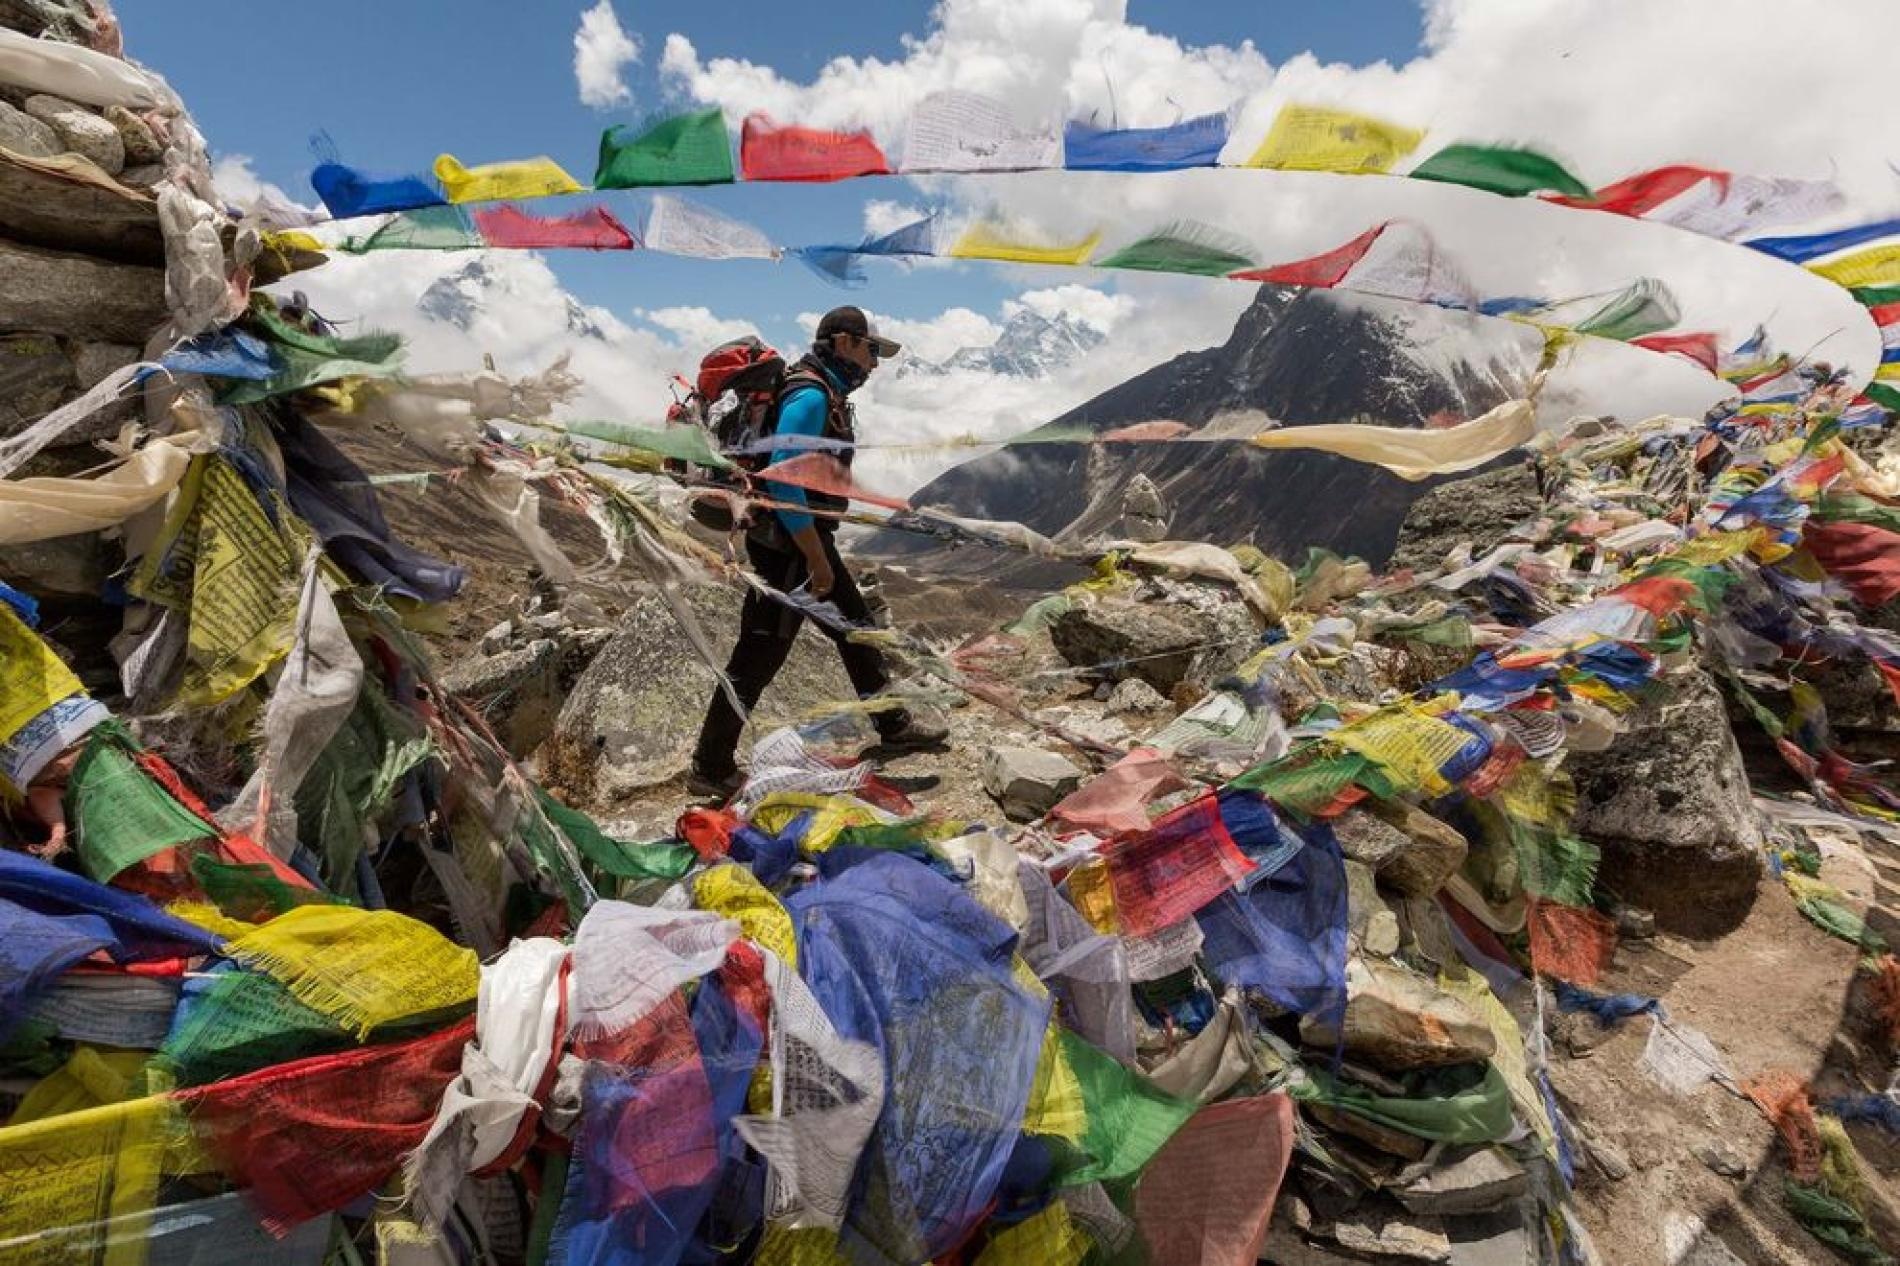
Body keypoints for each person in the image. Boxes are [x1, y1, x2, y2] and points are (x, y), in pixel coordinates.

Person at [689, 306, 947, 798]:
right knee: (757, 657)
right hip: (788, 545)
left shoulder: (819, 389)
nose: (874, 363)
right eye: (871, 350)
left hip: (796, 539)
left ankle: (891, 722)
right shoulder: (810, 395)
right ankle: (710, 764)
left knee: (858, 630)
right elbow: (785, 480)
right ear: (845, 342)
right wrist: (815, 556)